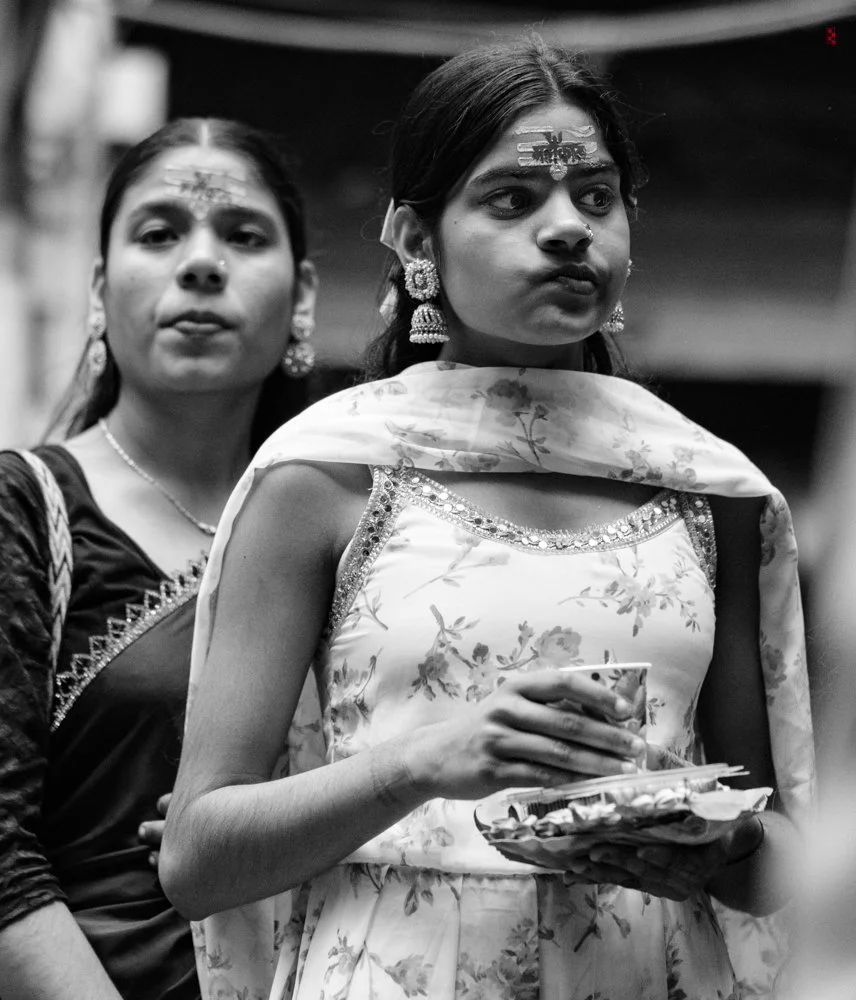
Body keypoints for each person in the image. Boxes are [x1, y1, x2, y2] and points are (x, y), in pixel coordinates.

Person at [161, 39, 815, 1000]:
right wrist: (425, 761)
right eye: (512, 200)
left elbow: (780, 868)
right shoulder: (327, 474)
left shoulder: (712, 491)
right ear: (419, 244)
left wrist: (717, 840)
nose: (567, 229)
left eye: (597, 198)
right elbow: (197, 860)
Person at [0, 116, 317, 1000]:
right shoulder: (15, 511)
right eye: (160, 232)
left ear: (304, 295)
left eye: (243, 236)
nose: (202, 262)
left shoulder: (353, 527)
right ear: (100, 288)